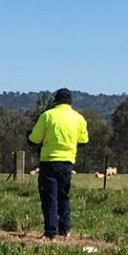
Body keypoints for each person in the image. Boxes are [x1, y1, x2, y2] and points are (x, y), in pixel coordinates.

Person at [28, 88, 89, 238]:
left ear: (55, 100)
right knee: (64, 196)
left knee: (50, 197)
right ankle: (65, 229)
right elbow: (84, 141)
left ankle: (50, 232)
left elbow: (34, 139)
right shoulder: (78, 118)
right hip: (67, 162)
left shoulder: (48, 115)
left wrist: (29, 135)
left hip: (49, 161)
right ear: (70, 102)